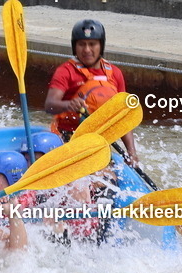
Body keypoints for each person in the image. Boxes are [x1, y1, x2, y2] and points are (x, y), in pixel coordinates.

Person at [44, 19, 138, 165]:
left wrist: (132, 153)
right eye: (82, 44)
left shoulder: (115, 73)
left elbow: (123, 117)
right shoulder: (65, 71)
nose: (87, 50)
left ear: (101, 46)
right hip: (68, 138)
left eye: (92, 44)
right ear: (75, 47)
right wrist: (68, 104)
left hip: (98, 142)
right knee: (98, 177)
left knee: (107, 176)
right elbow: (50, 105)